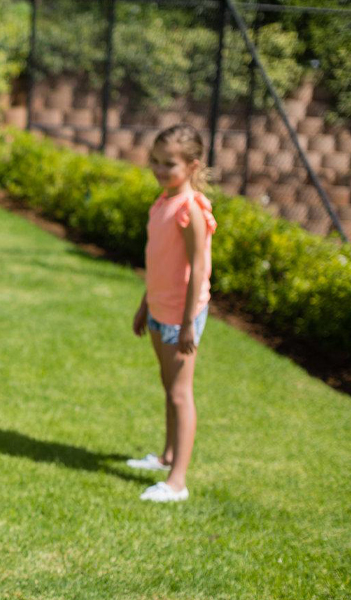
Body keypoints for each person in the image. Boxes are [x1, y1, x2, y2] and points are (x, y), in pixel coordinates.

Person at [128, 124, 217, 503]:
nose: (160, 170)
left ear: (192, 165)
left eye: (170, 164)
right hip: (159, 310)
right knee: (169, 387)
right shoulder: (162, 202)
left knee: (180, 394)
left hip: (182, 318)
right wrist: (144, 305)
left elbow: (197, 269)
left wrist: (187, 325)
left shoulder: (190, 209)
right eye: (156, 161)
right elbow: (160, 264)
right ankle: (166, 458)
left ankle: (177, 482)